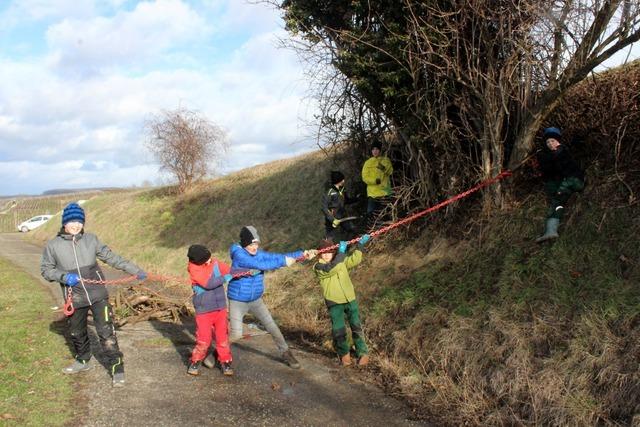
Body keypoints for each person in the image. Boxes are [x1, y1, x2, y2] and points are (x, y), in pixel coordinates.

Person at [40, 202, 147, 387]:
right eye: (72, 221)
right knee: (77, 332)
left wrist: (135, 270)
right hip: (74, 297)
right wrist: (64, 276)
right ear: (64, 223)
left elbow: (112, 257)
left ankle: (117, 368)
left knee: (106, 332)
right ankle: (83, 361)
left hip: (98, 295)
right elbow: (46, 270)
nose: (76, 225)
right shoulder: (53, 246)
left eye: (79, 221)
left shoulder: (91, 240)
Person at [228, 226, 316, 369]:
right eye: (251, 244)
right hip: (237, 300)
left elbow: (276, 257)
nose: (254, 247)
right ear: (245, 244)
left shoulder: (257, 253)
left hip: (256, 299)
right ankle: (218, 351)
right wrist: (285, 263)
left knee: (272, 327)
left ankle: (286, 353)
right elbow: (260, 265)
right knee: (236, 334)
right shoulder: (240, 255)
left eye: (256, 244)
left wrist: (302, 255)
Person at [313, 235, 371, 367]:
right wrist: (340, 252)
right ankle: (344, 354)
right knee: (339, 330)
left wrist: (360, 246)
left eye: (330, 252)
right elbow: (332, 268)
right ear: (320, 254)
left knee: (356, 326)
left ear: (333, 252)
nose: (327, 255)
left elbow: (354, 260)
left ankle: (363, 353)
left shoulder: (339, 259)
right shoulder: (318, 267)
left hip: (350, 298)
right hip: (334, 302)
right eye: (324, 253)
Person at [185, 244, 234, 376]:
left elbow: (230, 270)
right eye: (206, 259)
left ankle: (225, 361)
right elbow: (208, 283)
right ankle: (195, 361)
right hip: (204, 310)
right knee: (204, 339)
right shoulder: (193, 268)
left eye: (209, 257)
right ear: (198, 261)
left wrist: (242, 271)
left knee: (222, 338)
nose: (209, 260)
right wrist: (225, 278)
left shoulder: (214, 263)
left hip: (220, 308)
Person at [535, 127, 585, 243]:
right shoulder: (551, 156)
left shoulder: (562, 152)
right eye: (547, 142)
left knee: (557, 201)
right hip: (566, 183)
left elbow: (571, 174)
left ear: (558, 141)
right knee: (558, 203)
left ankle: (551, 231)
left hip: (573, 181)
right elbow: (549, 172)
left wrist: (561, 188)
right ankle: (551, 231)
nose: (550, 144)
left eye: (552, 141)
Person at [361, 140, 393, 228]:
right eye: (373, 149)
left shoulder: (386, 160)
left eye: (377, 149)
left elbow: (390, 172)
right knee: (371, 216)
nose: (375, 151)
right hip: (372, 193)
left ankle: (390, 230)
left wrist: (382, 167)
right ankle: (373, 233)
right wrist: (375, 181)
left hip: (385, 192)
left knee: (387, 214)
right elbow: (365, 177)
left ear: (380, 150)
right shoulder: (367, 163)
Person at [322, 170, 360, 241]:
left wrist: (356, 199)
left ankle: (344, 248)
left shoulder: (342, 189)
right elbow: (324, 207)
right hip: (332, 219)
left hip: (342, 215)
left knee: (352, 230)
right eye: (343, 179)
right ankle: (328, 250)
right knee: (329, 239)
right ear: (339, 180)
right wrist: (332, 219)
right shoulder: (329, 191)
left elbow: (346, 201)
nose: (344, 180)